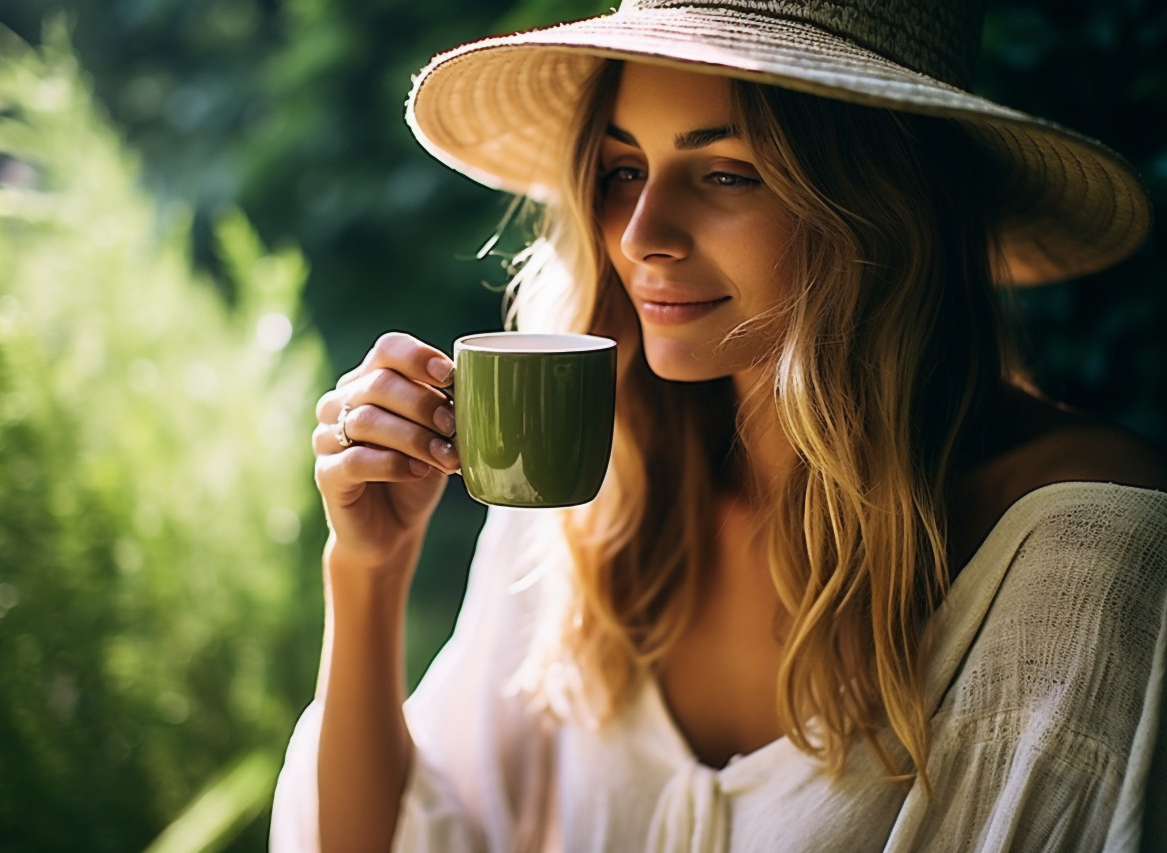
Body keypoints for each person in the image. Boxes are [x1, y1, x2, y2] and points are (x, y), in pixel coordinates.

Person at [271, 1, 1167, 850]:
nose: (640, 234)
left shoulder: (1079, 552)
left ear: (885, 206)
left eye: (727, 172)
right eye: (625, 169)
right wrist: (368, 569)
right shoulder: (591, 486)